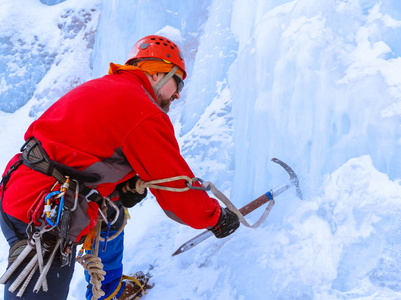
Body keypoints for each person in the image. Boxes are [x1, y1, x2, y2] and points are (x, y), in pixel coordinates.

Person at [0, 35, 240, 300]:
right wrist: (216, 218)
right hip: (45, 215)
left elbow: (80, 152)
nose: (177, 93)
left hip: (20, 190)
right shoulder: (143, 110)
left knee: (113, 213)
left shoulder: (107, 86)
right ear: (158, 72)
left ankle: (108, 291)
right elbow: (175, 186)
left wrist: (116, 190)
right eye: (177, 81)